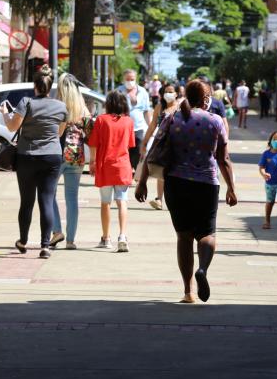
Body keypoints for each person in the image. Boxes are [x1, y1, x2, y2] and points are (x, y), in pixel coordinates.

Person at [135, 80, 238, 303]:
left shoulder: (172, 117)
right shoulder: (216, 121)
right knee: (207, 233)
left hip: (176, 183)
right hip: (207, 184)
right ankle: (203, 268)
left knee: (184, 236)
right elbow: (224, 158)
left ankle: (188, 291)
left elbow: (155, 148)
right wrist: (231, 187)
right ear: (205, 99)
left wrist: (142, 181)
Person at [1, 66, 67, 259]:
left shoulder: (26, 102)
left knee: (27, 202)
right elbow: (59, 133)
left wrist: (5, 113)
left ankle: (22, 241)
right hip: (52, 157)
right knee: (46, 200)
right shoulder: (61, 107)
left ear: (35, 86)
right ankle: (45, 246)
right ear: (50, 86)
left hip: (27, 156)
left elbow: (12, 125)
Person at [49, 74, 94, 250]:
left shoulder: (57, 106)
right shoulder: (83, 109)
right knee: (72, 198)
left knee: (48, 194)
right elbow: (90, 133)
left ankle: (56, 231)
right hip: (77, 156)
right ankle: (71, 241)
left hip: (58, 154)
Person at [88, 91, 135, 252]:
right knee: (122, 201)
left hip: (105, 166)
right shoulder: (128, 121)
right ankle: (122, 235)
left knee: (105, 202)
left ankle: (106, 238)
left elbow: (93, 143)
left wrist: (92, 162)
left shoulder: (101, 120)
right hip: (122, 165)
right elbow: (130, 144)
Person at [141, 84, 180, 210]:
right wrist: (145, 142)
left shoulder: (180, 107)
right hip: (161, 143)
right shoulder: (159, 107)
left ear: (176, 93)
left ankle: (174, 199)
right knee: (161, 171)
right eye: (166, 91)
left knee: (175, 172)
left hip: (177, 143)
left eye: (171, 91)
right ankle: (159, 199)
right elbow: (152, 126)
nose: (168, 94)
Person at [118, 69, 152, 175]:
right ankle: (125, 175)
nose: (130, 81)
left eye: (132, 79)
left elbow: (146, 111)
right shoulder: (118, 91)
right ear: (123, 79)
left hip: (138, 129)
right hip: (122, 129)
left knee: (138, 153)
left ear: (135, 79)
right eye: (127, 79)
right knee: (124, 154)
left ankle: (138, 176)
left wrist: (151, 126)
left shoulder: (142, 92)